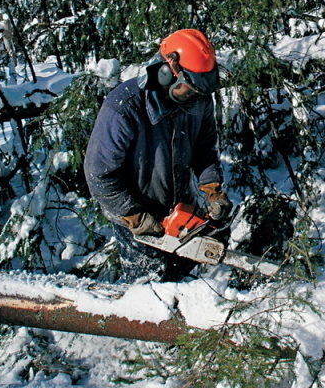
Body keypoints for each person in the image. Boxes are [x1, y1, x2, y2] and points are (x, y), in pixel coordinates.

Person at [84, 29, 232, 282]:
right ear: (166, 73)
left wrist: (212, 189)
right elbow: (99, 174)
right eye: (189, 89)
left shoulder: (199, 100)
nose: (195, 97)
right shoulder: (123, 108)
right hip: (138, 214)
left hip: (180, 206)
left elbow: (204, 148)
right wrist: (133, 215)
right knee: (150, 289)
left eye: (200, 90)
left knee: (184, 280)